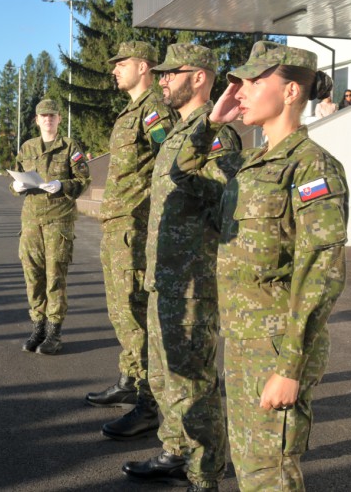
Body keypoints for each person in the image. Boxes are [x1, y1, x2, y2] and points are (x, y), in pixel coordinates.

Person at [209, 41, 348, 491]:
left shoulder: (311, 167)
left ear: (291, 92)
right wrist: (213, 121)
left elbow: (320, 271)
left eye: (254, 81)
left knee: (271, 475)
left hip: (275, 347)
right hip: (243, 340)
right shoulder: (251, 163)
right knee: (252, 468)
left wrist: (290, 367)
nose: (241, 91)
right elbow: (184, 168)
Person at [121, 43, 242, 492]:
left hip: (193, 278)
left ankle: (204, 472)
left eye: (174, 72)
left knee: (194, 382)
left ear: (199, 77)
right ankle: (176, 450)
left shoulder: (219, 135)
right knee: (164, 374)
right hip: (165, 274)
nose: (164, 79)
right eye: (164, 72)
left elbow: (220, 198)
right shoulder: (180, 131)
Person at [86, 41, 175, 442]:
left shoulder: (154, 111)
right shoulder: (130, 112)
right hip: (117, 226)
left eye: (120, 63)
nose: (114, 70)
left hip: (135, 228)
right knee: (120, 311)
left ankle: (148, 404)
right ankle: (130, 379)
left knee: (135, 315)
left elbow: (170, 159)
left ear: (143, 66)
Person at [11, 98, 91, 355]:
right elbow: (15, 176)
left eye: (52, 115)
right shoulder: (27, 147)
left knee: (55, 276)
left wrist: (63, 185)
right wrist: (16, 187)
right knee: (32, 276)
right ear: (36, 120)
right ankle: (39, 327)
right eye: (43, 116)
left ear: (59, 119)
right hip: (32, 221)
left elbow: (83, 179)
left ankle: (54, 331)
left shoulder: (70, 147)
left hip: (59, 220)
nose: (48, 119)